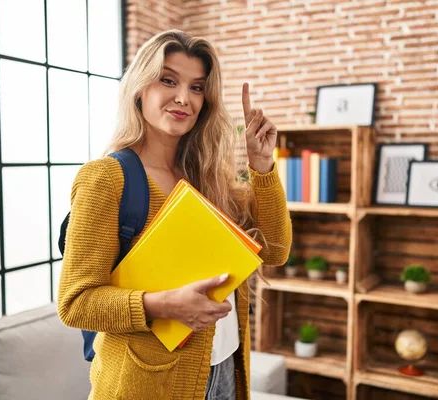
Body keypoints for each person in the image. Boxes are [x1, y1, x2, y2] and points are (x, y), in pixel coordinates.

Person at [57, 29, 292, 400]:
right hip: (145, 384)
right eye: (168, 80)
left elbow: (276, 251)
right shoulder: (105, 178)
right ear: (139, 88)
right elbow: (75, 304)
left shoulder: (211, 179)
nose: (184, 98)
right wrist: (163, 305)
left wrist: (262, 166)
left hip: (226, 369)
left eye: (197, 87)